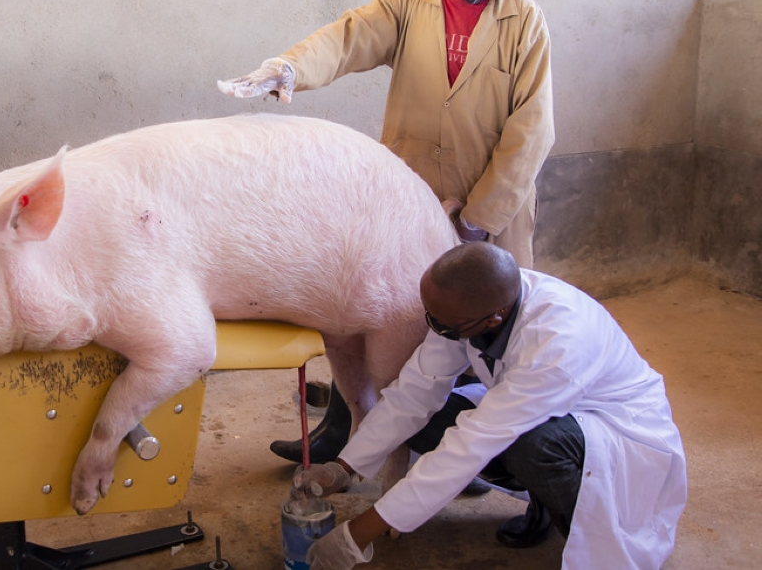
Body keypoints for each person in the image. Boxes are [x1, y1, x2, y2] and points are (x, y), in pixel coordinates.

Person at [218, 0, 555, 465]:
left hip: (493, 206)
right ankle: (344, 428)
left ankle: (470, 453)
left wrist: (477, 219)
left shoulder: (525, 22)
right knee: (375, 313)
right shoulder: (406, 4)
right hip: (408, 196)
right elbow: (347, 39)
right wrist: (291, 67)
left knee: (486, 331)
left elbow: (532, 131)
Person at [293, 242, 687, 569]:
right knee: (431, 420)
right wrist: (344, 467)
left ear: (494, 318)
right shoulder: (468, 308)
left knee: (530, 444)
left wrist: (357, 534)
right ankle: (544, 496)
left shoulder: (557, 342)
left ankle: (567, 518)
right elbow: (415, 391)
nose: (435, 329)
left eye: (444, 326)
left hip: (615, 433)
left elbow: (473, 444)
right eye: (431, 317)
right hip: (538, 409)